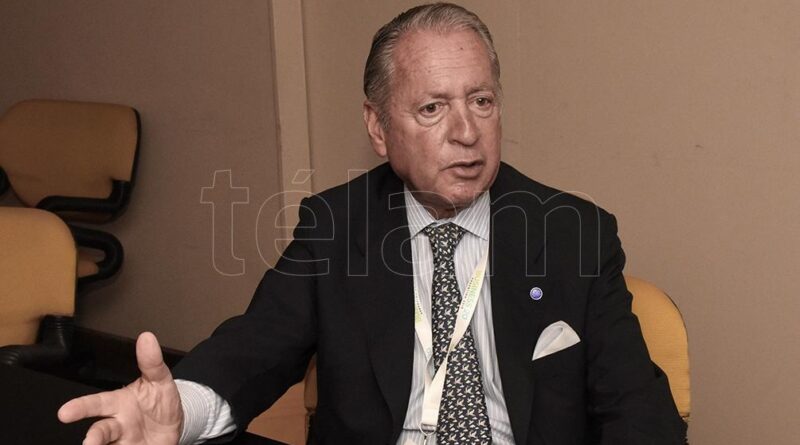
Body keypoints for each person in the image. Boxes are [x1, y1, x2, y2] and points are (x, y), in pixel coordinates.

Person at [58, 3, 687, 444]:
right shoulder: (335, 226)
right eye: (433, 108)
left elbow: (638, 410)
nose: (467, 132)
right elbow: (255, 347)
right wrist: (184, 408)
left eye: (481, 101)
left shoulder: (574, 233)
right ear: (378, 128)